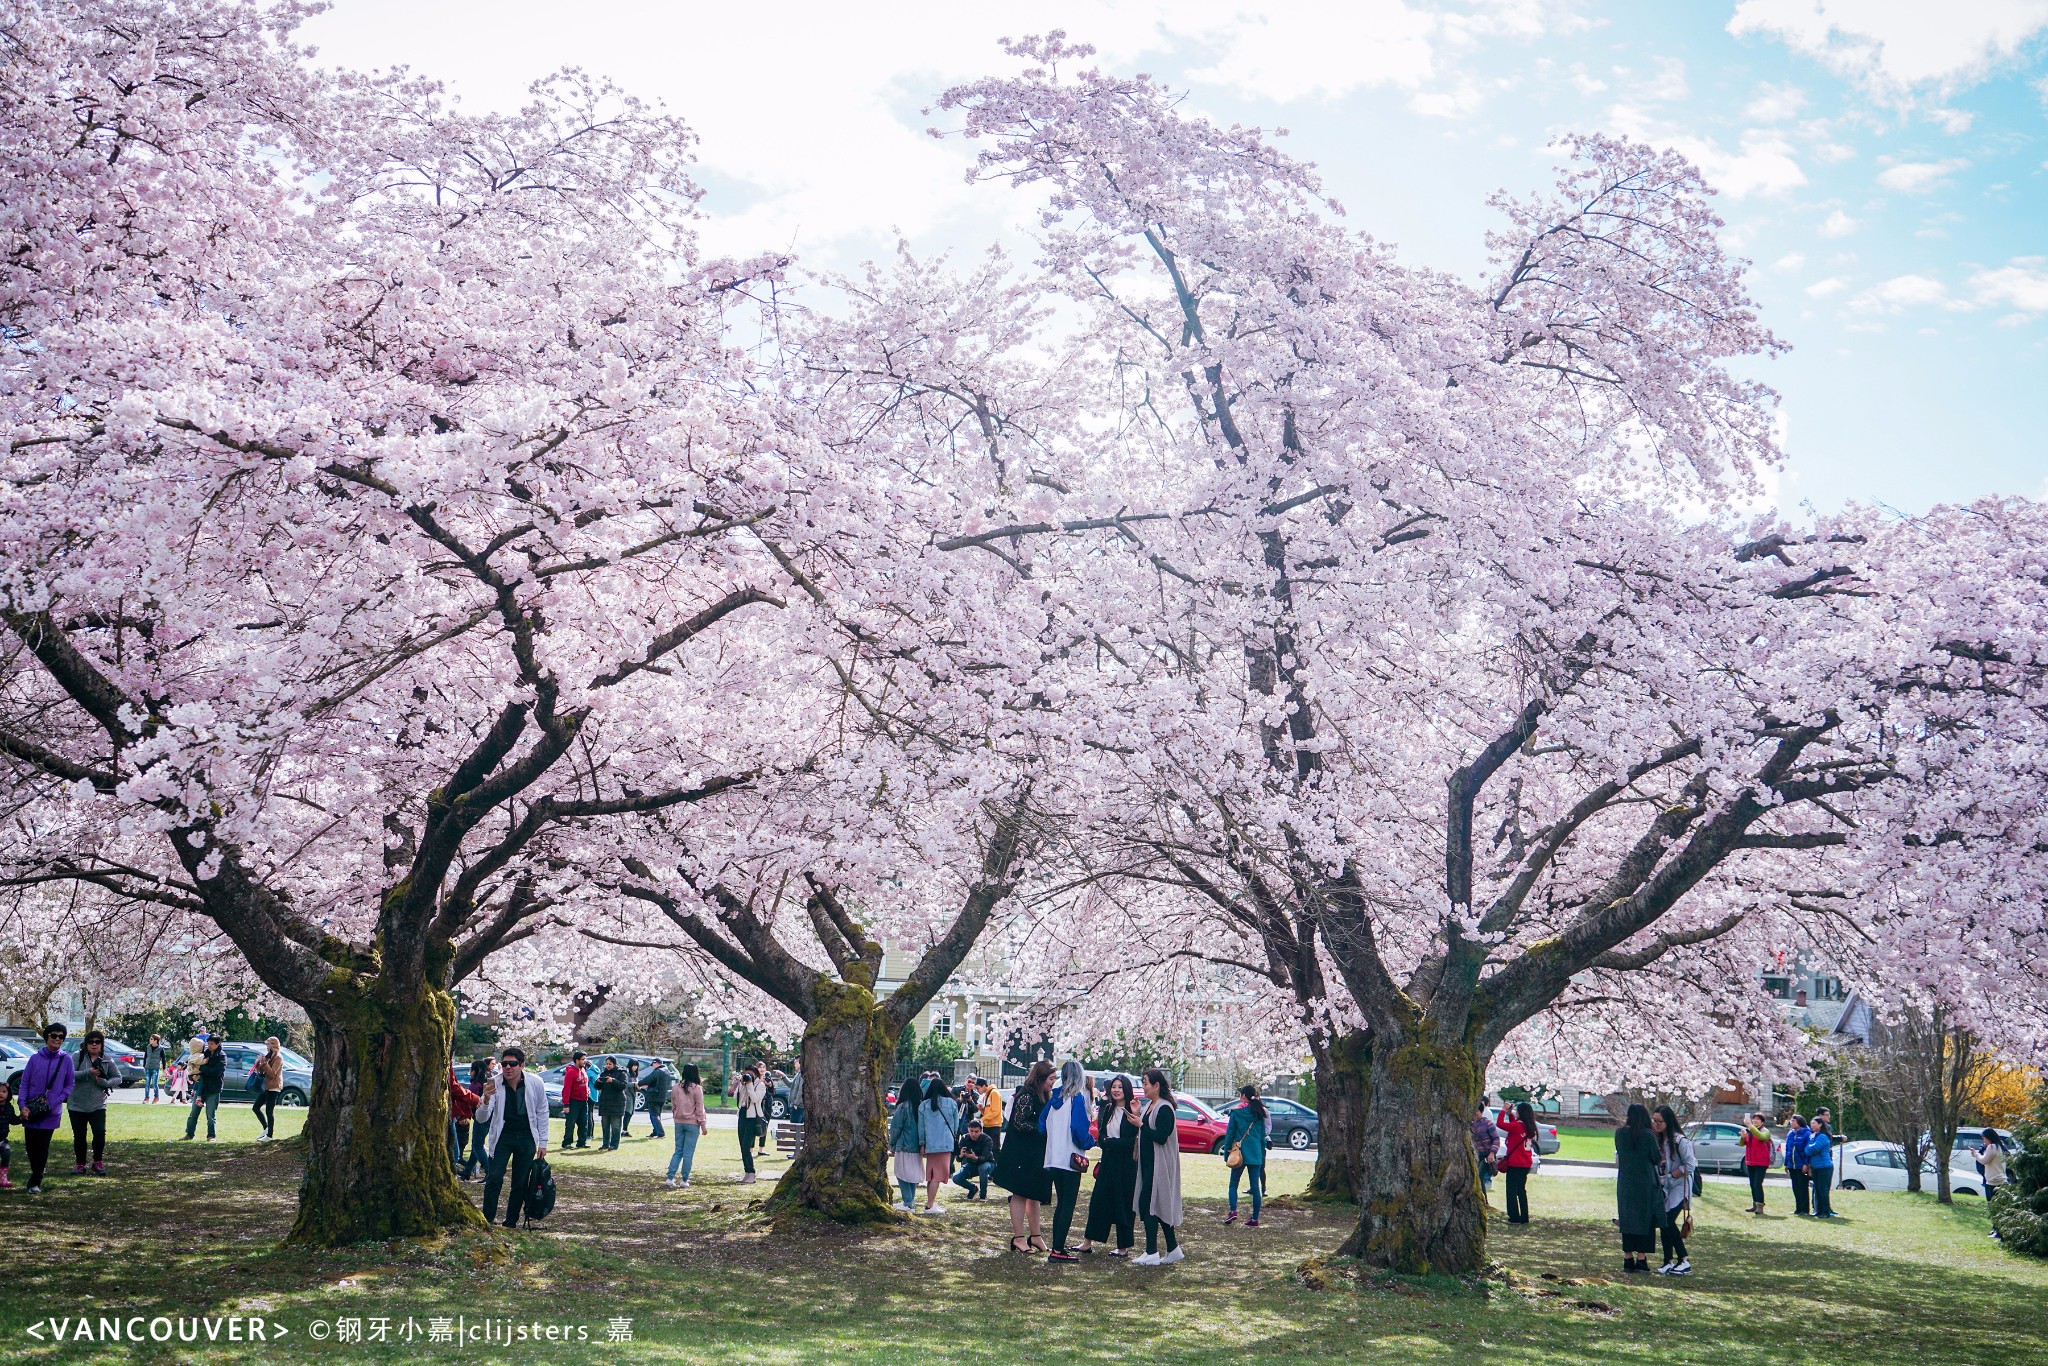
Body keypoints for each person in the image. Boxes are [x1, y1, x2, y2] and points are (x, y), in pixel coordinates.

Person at [478, 1046, 548, 1228]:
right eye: (504, 1064)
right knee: (494, 1177)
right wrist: (485, 1100)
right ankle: (488, 1219)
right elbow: (481, 1118)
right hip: (503, 1136)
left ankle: (510, 1221)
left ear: (522, 1065)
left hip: (526, 1137)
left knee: (520, 1181)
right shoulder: (494, 1082)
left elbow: (542, 1111)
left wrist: (543, 1142)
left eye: (513, 1064)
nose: (508, 1068)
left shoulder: (536, 1082)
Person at [991, 1060, 1054, 1253]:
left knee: (1034, 1195)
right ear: (1041, 1077)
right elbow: (1019, 1122)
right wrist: (1042, 1128)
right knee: (1020, 1194)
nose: (1053, 1082)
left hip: (1036, 1152)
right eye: (1051, 1078)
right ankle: (1019, 1237)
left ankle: (1036, 1236)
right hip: (1022, 1153)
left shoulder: (1043, 1095)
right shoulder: (1026, 1095)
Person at [1040, 1061, 1094, 1260]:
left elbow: (1041, 1126)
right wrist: (1090, 1141)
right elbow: (1079, 1131)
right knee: (1067, 1205)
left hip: (1054, 1158)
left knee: (1061, 1203)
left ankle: (1057, 1246)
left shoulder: (1054, 1100)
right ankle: (1058, 1249)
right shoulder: (1077, 1099)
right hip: (1070, 1158)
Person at [1082, 1075, 1140, 1257]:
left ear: (1126, 1090)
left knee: (1123, 1205)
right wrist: (1107, 1142)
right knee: (1099, 1201)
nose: (1116, 1090)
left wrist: (1110, 1143)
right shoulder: (1107, 1109)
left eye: (1120, 1087)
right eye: (1114, 1087)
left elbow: (1131, 1142)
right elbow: (1100, 1136)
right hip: (1108, 1162)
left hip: (1126, 1166)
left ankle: (1123, 1247)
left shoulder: (1132, 1111)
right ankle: (1087, 1242)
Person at [1133, 1068, 1185, 1265]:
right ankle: (1173, 1249)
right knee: (1156, 1205)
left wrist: (1141, 1125)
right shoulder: (1150, 1106)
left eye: (1146, 1083)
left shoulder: (1164, 1108)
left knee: (1151, 1205)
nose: (1144, 1087)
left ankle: (1152, 1251)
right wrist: (1138, 1116)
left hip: (1160, 1164)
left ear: (1156, 1086)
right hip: (1148, 1163)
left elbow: (1161, 1137)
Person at [18, 1023, 75, 1193]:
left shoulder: (66, 1060)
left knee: (42, 1146)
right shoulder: (35, 1059)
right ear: (47, 1037)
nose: (57, 1039)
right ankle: (37, 1170)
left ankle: (35, 1181)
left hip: (51, 1111)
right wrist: (22, 1105)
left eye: (60, 1037)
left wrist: (57, 1100)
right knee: (30, 1146)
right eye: (53, 1035)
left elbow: (70, 1084)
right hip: (32, 1110)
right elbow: (24, 1083)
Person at [1613, 1103, 1662, 1273]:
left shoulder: (1619, 1134)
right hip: (1645, 1182)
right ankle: (1641, 1258)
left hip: (1626, 1181)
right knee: (1645, 1219)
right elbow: (1656, 1158)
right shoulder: (1648, 1135)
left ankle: (1628, 1257)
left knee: (1627, 1219)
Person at [1651, 1105, 1696, 1274]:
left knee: (1668, 1220)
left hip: (1679, 1186)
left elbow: (1691, 1165)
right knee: (1663, 1222)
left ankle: (1684, 1259)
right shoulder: (1657, 1140)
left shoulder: (1680, 1141)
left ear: (1668, 1122)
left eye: (1659, 1121)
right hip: (1665, 1186)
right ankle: (1668, 1260)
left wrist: (1672, 1175)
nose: (1656, 1124)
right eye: (1654, 1120)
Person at [69, 1029, 121, 1174]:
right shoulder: (77, 1057)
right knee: (79, 1136)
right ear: (85, 1044)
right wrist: (88, 1072)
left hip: (98, 1104)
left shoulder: (107, 1059)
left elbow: (118, 1078)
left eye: (97, 1042)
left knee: (99, 1133)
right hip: (76, 1104)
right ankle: (80, 1164)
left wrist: (104, 1082)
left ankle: (97, 1162)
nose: (94, 1045)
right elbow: (69, 1075)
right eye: (91, 1042)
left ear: (101, 1044)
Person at [1223, 1083, 1269, 1227]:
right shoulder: (1259, 1113)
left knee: (1233, 1184)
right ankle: (1254, 1218)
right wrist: (1262, 1155)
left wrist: (1226, 1154)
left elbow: (1229, 1135)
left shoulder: (1236, 1113)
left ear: (1243, 1096)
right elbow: (1262, 1136)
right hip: (1255, 1153)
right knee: (1255, 1187)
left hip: (1239, 1153)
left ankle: (1233, 1211)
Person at [920, 1075, 961, 1215]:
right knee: (937, 1176)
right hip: (944, 1143)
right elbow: (956, 1125)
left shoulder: (924, 1105)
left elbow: (921, 1127)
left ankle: (929, 1202)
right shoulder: (951, 1103)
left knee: (931, 1175)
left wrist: (922, 1144)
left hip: (930, 1144)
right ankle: (930, 1205)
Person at [667, 1063, 709, 1188]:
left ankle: (670, 1177)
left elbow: (673, 1105)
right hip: (692, 1123)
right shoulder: (697, 1089)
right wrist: (703, 1125)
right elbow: (699, 1108)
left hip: (679, 1122)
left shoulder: (676, 1087)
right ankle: (684, 1179)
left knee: (678, 1151)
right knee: (688, 1153)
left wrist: (676, 1115)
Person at [888, 1073, 926, 1211]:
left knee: (901, 1173)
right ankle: (909, 1202)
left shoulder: (903, 1106)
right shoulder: (921, 1107)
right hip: (917, 1146)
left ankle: (908, 1202)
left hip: (904, 1145)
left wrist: (891, 1144)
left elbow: (896, 1127)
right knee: (912, 1175)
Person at [1500, 1100, 1538, 1224]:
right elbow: (1514, 1127)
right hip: (1525, 1163)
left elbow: (1500, 1124)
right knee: (1521, 1190)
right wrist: (1510, 1114)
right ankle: (1524, 1217)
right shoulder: (1529, 1127)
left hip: (1515, 1163)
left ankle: (1514, 1217)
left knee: (1511, 1190)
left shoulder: (1518, 1126)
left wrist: (1503, 1111)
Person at [182, 1036, 225, 1141]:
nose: (209, 1046)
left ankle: (211, 1136)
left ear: (217, 1044)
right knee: (193, 1113)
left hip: (213, 1088)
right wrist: (194, 1076)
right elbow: (194, 1069)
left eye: (212, 1044)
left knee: (210, 1115)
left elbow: (217, 1072)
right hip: (201, 1088)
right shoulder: (204, 1054)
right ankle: (189, 1134)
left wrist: (202, 1069)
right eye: (208, 1043)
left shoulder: (221, 1056)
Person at [732, 1066, 768, 1184]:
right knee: (742, 1146)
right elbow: (735, 1097)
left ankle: (751, 1174)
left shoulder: (760, 1085)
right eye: (746, 1073)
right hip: (742, 1116)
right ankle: (747, 1173)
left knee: (746, 1147)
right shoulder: (744, 1083)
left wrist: (750, 1085)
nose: (747, 1076)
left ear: (756, 1075)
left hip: (752, 1119)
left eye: (750, 1074)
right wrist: (741, 1084)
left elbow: (754, 1098)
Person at [461, 1058, 495, 1179]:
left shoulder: (475, 1085)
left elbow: (470, 1101)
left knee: (477, 1145)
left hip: (480, 1117)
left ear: (475, 1071)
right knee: (477, 1144)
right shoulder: (487, 1082)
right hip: (489, 1117)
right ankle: (467, 1172)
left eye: (471, 1069)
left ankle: (488, 1170)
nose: (470, 1072)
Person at [952, 1119, 998, 1201]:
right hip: (972, 1165)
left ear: (981, 1131)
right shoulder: (964, 1138)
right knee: (956, 1178)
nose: (973, 1134)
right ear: (968, 1129)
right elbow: (958, 1159)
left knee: (982, 1167)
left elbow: (985, 1157)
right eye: (971, 1131)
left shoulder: (987, 1139)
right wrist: (961, 1155)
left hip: (988, 1164)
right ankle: (973, 1189)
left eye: (976, 1131)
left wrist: (975, 1157)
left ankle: (983, 1195)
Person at [250, 1036, 285, 1142]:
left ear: (273, 1045)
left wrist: (264, 1063)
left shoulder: (278, 1057)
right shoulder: (269, 1056)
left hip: (274, 1086)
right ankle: (266, 1128)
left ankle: (269, 1135)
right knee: (256, 1107)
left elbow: (272, 1073)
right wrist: (259, 1064)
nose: (266, 1047)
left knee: (269, 1111)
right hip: (267, 1086)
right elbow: (263, 1072)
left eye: (268, 1044)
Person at [448, 1065, 480, 1172]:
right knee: (455, 1152)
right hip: (454, 1114)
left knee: (457, 1150)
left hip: (456, 1114)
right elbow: (454, 1087)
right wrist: (473, 1098)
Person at [1741, 1113, 1774, 1214]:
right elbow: (1742, 1144)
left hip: (1761, 1162)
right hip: (1750, 1161)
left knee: (1757, 1184)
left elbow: (1761, 1137)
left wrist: (1750, 1126)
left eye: (1758, 1119)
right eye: (1754, 1119)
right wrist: (1742, 1137)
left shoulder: (1765, 1131)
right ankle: (1754, 1205)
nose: (1755, 1121)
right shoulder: (1749, 1131)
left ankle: (1760, 1206)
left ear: (1762, 1121)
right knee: (1752, 1184)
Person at [593, 1057, 628, 1151]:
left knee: (616, 1126)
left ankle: (614, 1145)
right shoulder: (603, 1073)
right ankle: (605, 1144)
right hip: (605, 1103)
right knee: (605, 1125)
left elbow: (623, 1086)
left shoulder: (621, 1073)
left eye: (610, 1064)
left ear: (615, 1064)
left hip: (617, 1102)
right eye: (607, 1064)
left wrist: (613, 1081)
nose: (608, 1066)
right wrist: (599, 1081)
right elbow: (597, 1087)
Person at [1806, 1114, 1837, 1218]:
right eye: (1811, 1124)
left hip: (1824, 1167)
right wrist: (1809, 1149)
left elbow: (1814, 1149)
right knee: (1818, 1189)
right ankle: (1818, 1210)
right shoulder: (1812, 1136)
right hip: (1815, 1167)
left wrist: (1809, 1149)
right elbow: (1807, 1150)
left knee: (1823, 1189)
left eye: (1814, 1123)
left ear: (1820, 1124)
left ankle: (1826, 1211)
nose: (1812, 1125)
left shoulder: (1823, 1136)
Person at [560, 1052, 591, 1150]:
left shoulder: (583, 1070)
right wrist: (566, 1104)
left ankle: (581, 1142)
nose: (584, 1061)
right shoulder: (571, 1072)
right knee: (571, 1123)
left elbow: (584, 1083)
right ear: (577, 1060)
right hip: (573, 1101)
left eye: (585, 1059)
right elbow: (567, 1088)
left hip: (583, 1101)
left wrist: (587, 1090)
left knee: (583, 1123)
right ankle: (567, 1143)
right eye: (582, 1059)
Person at [1471, 1103, 1501, 1199]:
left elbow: (1496, 1139)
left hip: (1487, 1156)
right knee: (1477, 1177)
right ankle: (1483, 1199)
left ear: (1481, 1111)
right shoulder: (1472, 1123)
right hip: (1478, 1155)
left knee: (1479, 1176)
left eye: (1477, 1111)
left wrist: (1492, 1153)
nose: (1475, 1113)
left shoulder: (1488, 1124)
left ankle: (1483, 1199)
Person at [1783, 1113, 1811, 1215]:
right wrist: (1786, 1163)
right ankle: (1798, 1208)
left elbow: (1807, 1150)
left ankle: (1805, 1209)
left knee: (1802, 1187)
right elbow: (1788, 1149)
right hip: (1792, 1165)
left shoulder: (1806, 1134)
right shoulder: (1790, 1134)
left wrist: (1806, 1164)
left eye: (1793, 1121)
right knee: (1795, 1187)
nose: (1791, 1122)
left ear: (1799, 1122)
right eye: (1791, 1120)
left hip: (1801, 1165)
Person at [638, 1060, 670, 1141]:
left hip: (654, 1096)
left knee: (654, 1116)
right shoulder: (666, 1071)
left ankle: (660, 1133)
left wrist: (639, 1083)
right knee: (657, 1115)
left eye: (653, 1064)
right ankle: (655, 1132)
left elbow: (648, 1079)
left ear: (656, 1063)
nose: (652, 1066)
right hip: (662, 1097)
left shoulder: (657, 1071)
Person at [0, 1079, 18, 1188]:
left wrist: (21, 1118)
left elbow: (13, 1120)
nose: (0, 1094)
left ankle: (3, 1179)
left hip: (2, 1139)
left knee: (6, 1154)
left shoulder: (9, 1108)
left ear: (8, 1094)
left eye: (3, 1091)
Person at [143, 1033, 168, 1103]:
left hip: (155, 1068)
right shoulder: (148, 1047)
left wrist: (164, 1068)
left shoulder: (161, 1048)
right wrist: (144, 1066)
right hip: (148, 1067)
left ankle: (156, 1097)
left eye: (151, 1039)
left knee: (154, 1083)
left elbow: (163, 1059)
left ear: (156, 1040)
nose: (150, 1040)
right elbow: (145, 1057)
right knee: (147, 1083)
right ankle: (146, 1098)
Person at [621, 1060, 640, 1138]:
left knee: (630, 1112)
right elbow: (626, 1084)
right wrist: (635, 1084)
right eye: (634, 1065)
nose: (635, 1067)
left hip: (633, 1095)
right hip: (627, 1095)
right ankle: (624, 1130)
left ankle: (625, 1130)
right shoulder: (627, 1072)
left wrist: (639, 1086)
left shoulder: (634, 1074)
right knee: (628, 1112)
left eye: (636, 1066)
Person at [788, 1058, 805, 1124]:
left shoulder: (802, 1074)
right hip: (796, 1105)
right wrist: (783, 1076)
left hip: (797, 1106)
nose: (794, 1065)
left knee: (795, 1128)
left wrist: (796, 1103)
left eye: (795, 1063)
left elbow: (801, 1090)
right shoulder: (798, 1074)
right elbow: (791, 1084)